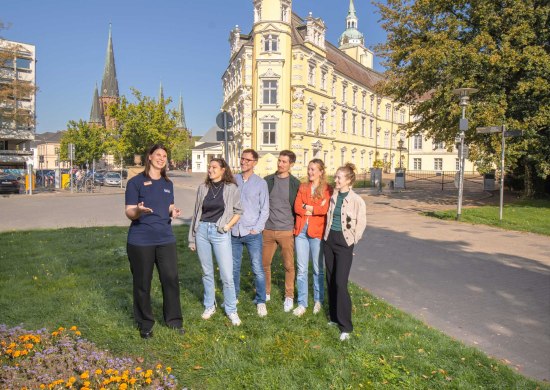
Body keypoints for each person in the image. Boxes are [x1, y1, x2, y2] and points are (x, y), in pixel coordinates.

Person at [124, 144, 184, 339]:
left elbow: (169, 205)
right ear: (149, 157)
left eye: (164, 156)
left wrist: (172, 211)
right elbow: (129, 212)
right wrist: (138, 211)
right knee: (142, 283)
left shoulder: (168, 183)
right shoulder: (135, 183)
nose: (161, 158)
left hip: (165, 238)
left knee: (171, 279)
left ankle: (174, 321)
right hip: (141, 240)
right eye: (158, 155)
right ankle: (145, 324)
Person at [188, 158, 243, 326]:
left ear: (223, 170)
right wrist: (192, 238)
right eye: (209, 167)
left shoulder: (231, 188)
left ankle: (231, 309)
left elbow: (239, 211)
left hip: (220, 232)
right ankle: (209, 305)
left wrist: (227, 227)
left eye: (214, 167)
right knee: (207, 272)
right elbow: (196, 212)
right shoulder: (203, 188)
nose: (210, 170)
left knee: (227, 275)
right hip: (202, 231)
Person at [323, 163, 367, 341]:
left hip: (344, 243)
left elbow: (361, 224)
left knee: (341, 283)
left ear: (348, 180)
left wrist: (352, 242)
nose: (336, 180)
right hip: (329, 240)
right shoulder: (333, 196)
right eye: (335, 177)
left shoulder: (357, 200)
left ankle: (346, 326)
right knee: (331, 279)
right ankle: (334, 317)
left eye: (339, 177)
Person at [231, 149, 270, 317]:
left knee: (257, 268)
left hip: (252, 232)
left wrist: (258, 228)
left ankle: (261, 301)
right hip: (234, 232)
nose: (244, 162)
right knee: (234, 268)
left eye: (248, 160)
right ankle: (233, 297)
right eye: (242, 159)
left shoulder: (261, 183)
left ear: (255, 162)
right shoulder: (233, 180)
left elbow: (265, 209)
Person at [292, 159, 332, 317]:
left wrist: (308, 208)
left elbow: (325, 209)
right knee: (301, 270)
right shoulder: (303, 187)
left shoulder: (327, 189)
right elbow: (296, 206)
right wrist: (312, 208)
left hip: (317, 233)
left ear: (321, 172)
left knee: (317, 269)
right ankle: (302, 303)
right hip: (301, 231)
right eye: (309, 169)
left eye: (313, 169)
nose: (310, 172)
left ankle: (318, 300)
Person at [263, 150, 300, 312]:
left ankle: (289, 296)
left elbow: (297, 208)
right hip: (268, 229)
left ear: (291, 164)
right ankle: (266, 292)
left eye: (284, 162)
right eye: (279, 161)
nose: (280, 164)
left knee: (289, 265)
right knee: (264, 264)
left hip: (286, 230)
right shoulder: (267, 180)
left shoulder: (295, 184)